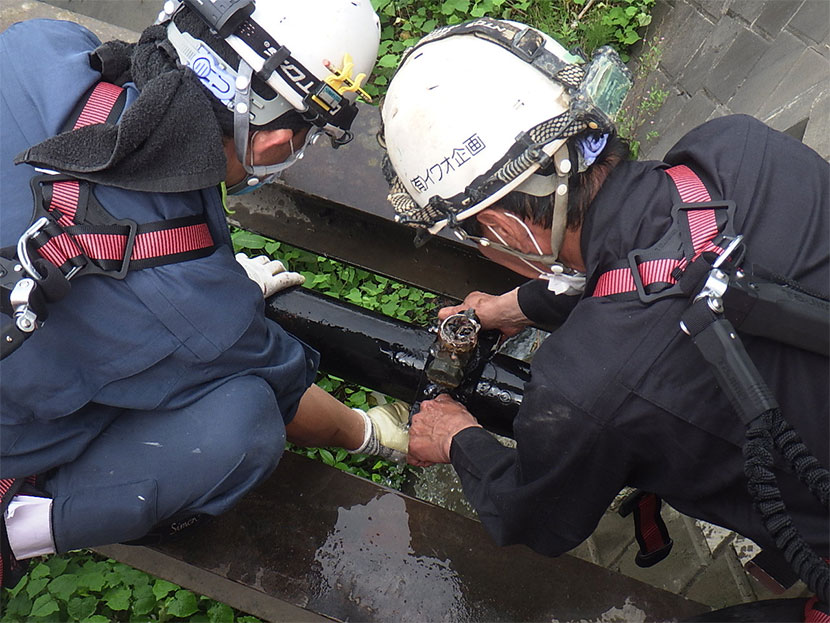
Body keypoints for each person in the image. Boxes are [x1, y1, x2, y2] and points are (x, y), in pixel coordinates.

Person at [380, 16, 829, 608]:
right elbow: (666, 261)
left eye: (475, 234)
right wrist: (515, 307)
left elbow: (537, 518)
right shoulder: (736, 145)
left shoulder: (580, 391)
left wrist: (457, 437)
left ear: (500, 224)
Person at [0, 0, 410, 588]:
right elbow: (292, 397)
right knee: (240, 427)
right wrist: (372, 435)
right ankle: (23, 522)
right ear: (271, 140)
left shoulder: (35, 44)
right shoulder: (199, 313)